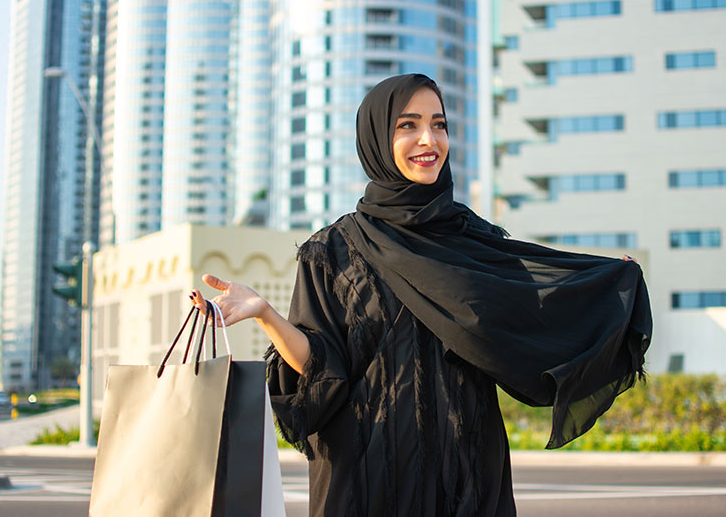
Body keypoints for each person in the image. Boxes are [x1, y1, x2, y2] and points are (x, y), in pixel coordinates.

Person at [192, 73, 652, 516]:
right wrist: (266, 314)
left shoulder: (475, 238)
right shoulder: (333, 251)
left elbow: (532, 320)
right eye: (407, 126)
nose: (429, 140)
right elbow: (321, 366)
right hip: (367, 478)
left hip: (469, 473)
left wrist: (607, 289)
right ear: (375, 138)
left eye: (439, 124)